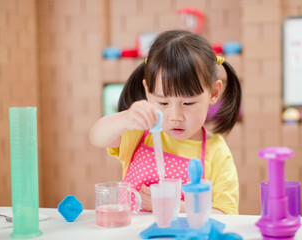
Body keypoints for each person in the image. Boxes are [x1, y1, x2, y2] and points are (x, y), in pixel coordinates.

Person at [90, 30, 241, 214]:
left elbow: (225, 214)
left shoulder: (217, 152)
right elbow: (97, 137)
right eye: (163, 102)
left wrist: (171, 206)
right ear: (147, 91)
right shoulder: (140, 134)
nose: (175, 115)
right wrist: (125, 118)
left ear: (214, 93)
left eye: (188, 103)